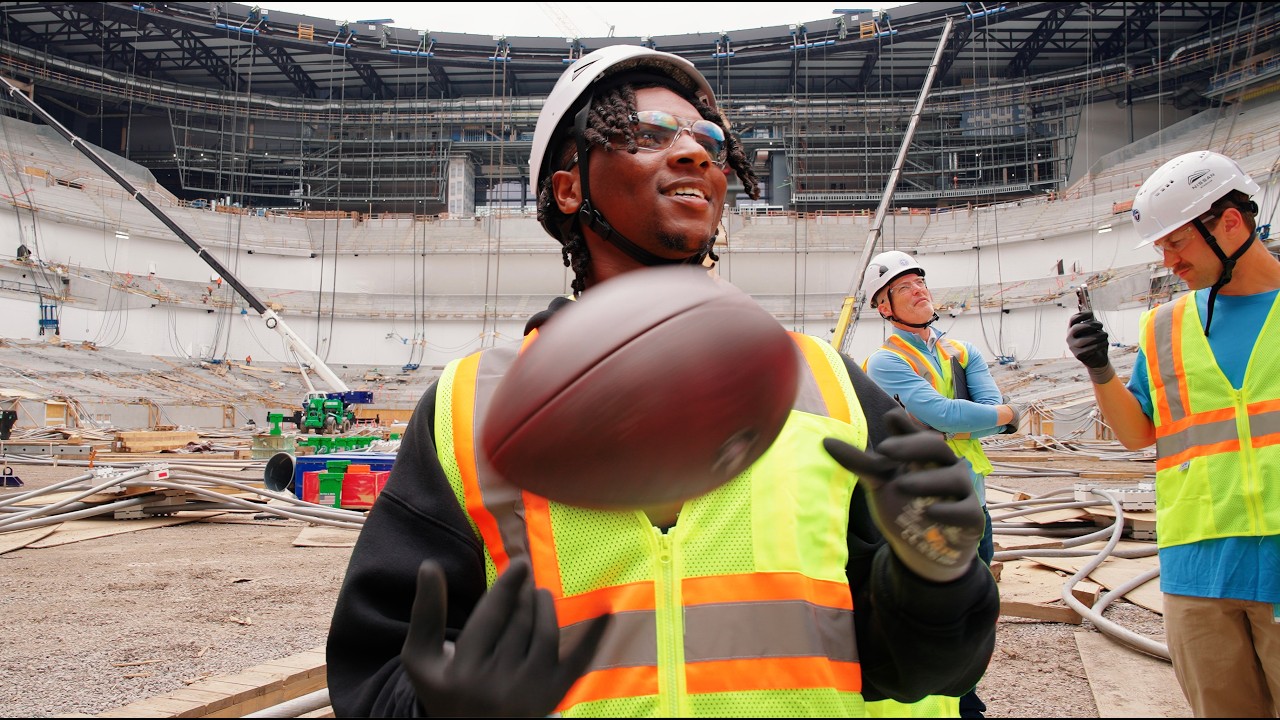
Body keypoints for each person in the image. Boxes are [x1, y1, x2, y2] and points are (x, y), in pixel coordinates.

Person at [326, 44, 999, 718]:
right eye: (646, 134)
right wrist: (441, 710)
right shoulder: (469, 408)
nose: (695, 154)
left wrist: (936, 584)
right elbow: (380, 669)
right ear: (569, 187)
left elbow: (925, 675)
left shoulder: (827, 384)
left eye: (708, 141)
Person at [1066, 150, 1280, 718]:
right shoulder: (1164, 327)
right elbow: (1138, 434)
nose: (1168, 260)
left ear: (1230, 223)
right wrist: (1100, 370)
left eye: (1177, 242)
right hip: (1197, 574)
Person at [859, 250, 1022, 718]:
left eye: (920, 282)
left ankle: (965, 695)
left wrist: (964, 422)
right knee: (935, 613)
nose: (919, 291)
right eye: (905, 287)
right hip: (927, 506)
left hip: (976, 500)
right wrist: (995, 419)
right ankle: (941, 699)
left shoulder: (962, 351)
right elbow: (949, 412)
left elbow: (972, 410)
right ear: (884, 306)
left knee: (978, 609)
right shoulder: (885, 362)